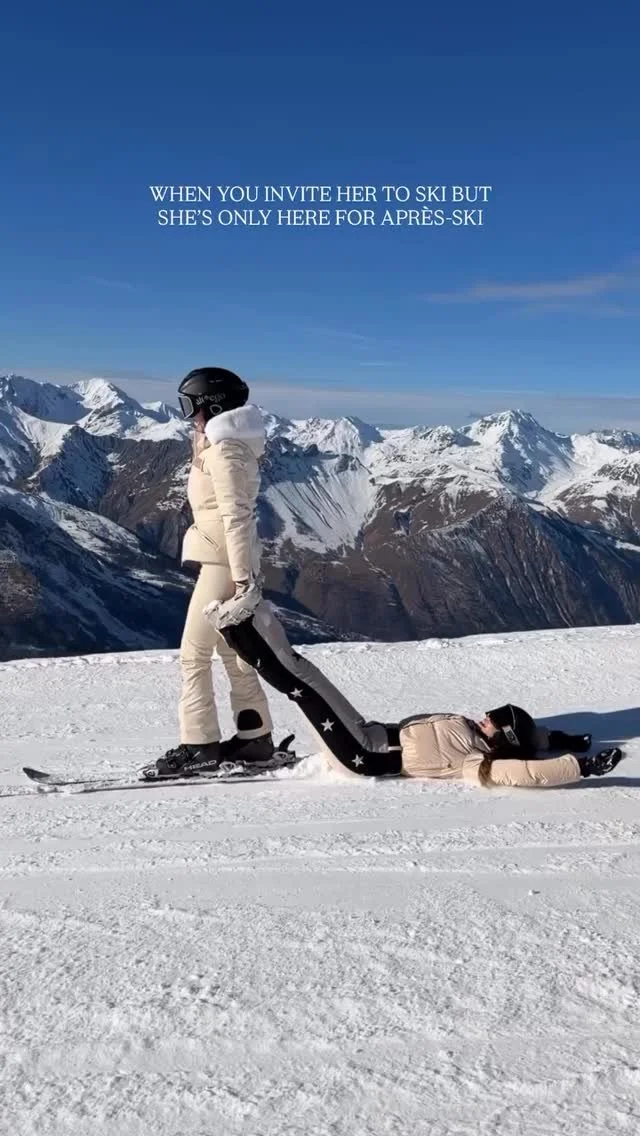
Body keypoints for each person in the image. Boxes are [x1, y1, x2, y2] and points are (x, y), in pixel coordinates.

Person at [204, 604, 624, 788]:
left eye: (494, 719)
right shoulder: (484, 736)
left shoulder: (477, 762)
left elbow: (525, 773)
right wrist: (566, 740)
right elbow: (533, 738)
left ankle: (235, 630)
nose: (486, 716)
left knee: (302, 689)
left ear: (502, 738)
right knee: (309, 674)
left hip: (363, 754)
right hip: (371, 731)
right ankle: (249, 621)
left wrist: (581, 767)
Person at [155, 367, 276, 776]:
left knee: (194, 654)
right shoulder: (222, 445)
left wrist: (242, 579)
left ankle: (199, 745)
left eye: (191, 406)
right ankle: (254, 735)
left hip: (225, 561)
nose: (189, 415)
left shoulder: (226, 451)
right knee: (229, 649)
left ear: (213, 405)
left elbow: (236, 516)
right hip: (223, 558)